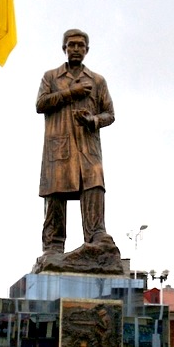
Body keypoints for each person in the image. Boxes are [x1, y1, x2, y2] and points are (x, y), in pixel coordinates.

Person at [36, 29, 115, 255]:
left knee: (94, 183)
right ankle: (53, 245)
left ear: (87, 50)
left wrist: (92, 120)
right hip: (59, 145)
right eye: (72, 45)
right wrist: (72, 92)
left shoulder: (98, 81)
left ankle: (96, 234)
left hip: (87, 145)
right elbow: (40, 104)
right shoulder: (51, 77)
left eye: (81, 45)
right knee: (56, 193)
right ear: (64, 48)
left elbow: (110, 113)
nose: (76, 49)